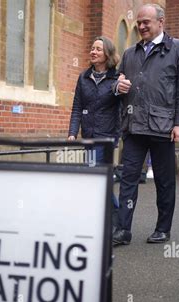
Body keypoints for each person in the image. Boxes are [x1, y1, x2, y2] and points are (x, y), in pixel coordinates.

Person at [112, 4, 179, 245]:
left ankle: (162, 228)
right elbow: (117, 82)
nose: (141, 26)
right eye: (139, 22)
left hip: (163, 127)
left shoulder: (178, 49)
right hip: (134, 127)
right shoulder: (129, 53)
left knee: (164, 180)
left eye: (146, 21)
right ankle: (123, 229)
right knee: (128, 179)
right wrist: (118, 86)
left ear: (161, 22)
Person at [67, 36, 120, 208]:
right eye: (92, 48)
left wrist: (117, 137)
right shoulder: (84, 77)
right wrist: (72, 133)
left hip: (106, 138)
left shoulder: (116, 78)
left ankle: (114, 216)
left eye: (98, 49)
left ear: (108, 54)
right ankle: (112, 218)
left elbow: (121, 110)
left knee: (93, 174)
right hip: (88, 136)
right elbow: (77, 107)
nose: (93, 52)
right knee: (98, 177)